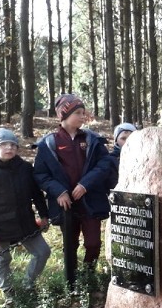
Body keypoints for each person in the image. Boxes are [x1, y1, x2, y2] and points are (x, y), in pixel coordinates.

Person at [34, 94, 111, 287]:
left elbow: (104, 165)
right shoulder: (48, 143)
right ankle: (72, 283)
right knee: (70, 244)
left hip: (90, 201)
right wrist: (59, 192)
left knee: (93, 243)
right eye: (77, 113)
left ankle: (88, 277)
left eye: (83, 113)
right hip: (65, 205)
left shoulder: (92, 140)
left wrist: (85, 184)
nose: (82, 117)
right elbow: (41, 175)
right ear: (64, 115)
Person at [0, 129, 50, 299]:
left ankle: (27, 286)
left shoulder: (24, 168)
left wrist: (44, 215)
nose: (9, 148)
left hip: (25, 223)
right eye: (4, 145)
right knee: (2, 260)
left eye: (13, 145)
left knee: (42, 252)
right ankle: (9, 296)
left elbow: (36, 193)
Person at [109, 123, 137, 189]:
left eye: (131, 138)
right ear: (116, 141)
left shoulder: (143, 158)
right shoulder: (111, 160)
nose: (127, 141)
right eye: (123, 138)